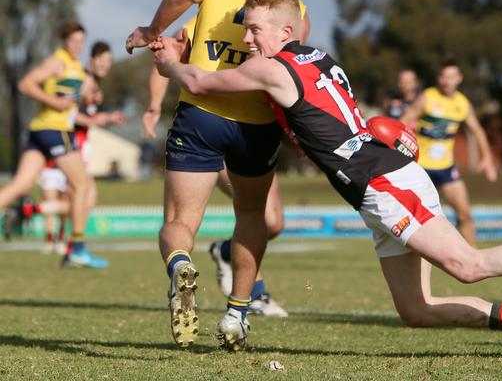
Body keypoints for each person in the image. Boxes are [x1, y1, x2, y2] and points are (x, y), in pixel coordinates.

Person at [151, 0, 502, 356]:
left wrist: (171, 62)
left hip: (382, 182)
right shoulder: (316, 57)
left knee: (466, 266)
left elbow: (203, 81)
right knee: (416, 311)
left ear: (285, 30)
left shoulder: (273, 67)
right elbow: (327, 120)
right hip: (378, 182)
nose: (248, 37)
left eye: (254, 28)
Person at [126, 0, 309, 347]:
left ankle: (180, 266)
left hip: (201, 116)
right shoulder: (293, 4)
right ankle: (237, 314)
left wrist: (152, 31)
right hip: (257, 126)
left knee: (179, 223)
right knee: (251, 217)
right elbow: (291, 74)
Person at [142, 17, 289, 317]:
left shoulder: (281, 13)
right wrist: (155, 104)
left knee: (271, 221)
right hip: (207, 131)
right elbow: (166, 53)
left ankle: (224, 253)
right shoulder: (208, 14)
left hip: (254, 132)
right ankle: (252, 297)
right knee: (240, 215)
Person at [0, 21, 107, 267]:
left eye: (82, 41)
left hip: (41, 131)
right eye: (74, 41)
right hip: (53, 131)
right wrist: (53, 102)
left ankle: (75, 246)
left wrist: (96, 113)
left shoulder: (75, 69)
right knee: (82, 186)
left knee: (20, 185)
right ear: (64, 41)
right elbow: (25, 84)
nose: (78, 45)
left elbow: (72, 103)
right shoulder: (57, 62)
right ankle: (77, 247)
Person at [27, 41, 126, 262]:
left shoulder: (95, 84)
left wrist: (104, 117)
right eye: (102, 61)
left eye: (108, 62)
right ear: (91, 59)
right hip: (71, 143)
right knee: (84, 196)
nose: (105, 65)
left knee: (83, 198)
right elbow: (70, 112)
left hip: (78, 144)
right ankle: (34, 215)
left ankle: (72, 245)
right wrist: (94, 119)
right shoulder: (84, 78)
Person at [400, 60, 497, 247]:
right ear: (439, 78)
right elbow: (402, 123)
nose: (447, 81)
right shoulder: (427, 97)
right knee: (416, 220)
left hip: (446, 169)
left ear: (459, 79)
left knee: (465, 214)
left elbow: (477, 130)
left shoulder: (462, 103)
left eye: (451, 77)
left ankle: (473, 259)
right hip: (420, 167)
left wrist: (487, 158)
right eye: (443, 76)